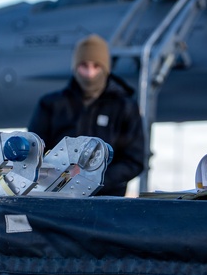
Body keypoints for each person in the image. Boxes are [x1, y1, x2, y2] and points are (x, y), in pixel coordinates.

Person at [28, 34, 146, 196]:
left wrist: (92, 178)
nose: (90, 73)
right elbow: (34, 153)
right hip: (56, 200)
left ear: (105, 68)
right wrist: (61, 174)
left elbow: (134, 160)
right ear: (75, 67)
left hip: (106, 203)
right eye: (84, 66)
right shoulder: (51, 104)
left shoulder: (125, 107)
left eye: (96, 66)